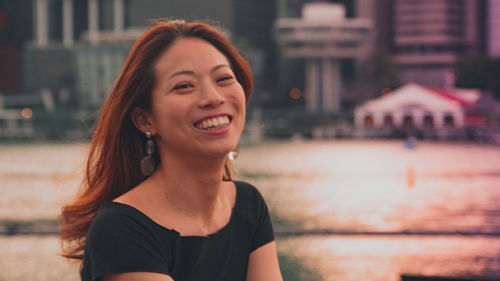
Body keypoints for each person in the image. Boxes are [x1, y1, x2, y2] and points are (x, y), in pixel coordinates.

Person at [59, 19, 283, 281]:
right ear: (145, 120)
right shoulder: (122, 228)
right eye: (184, 85)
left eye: (223, 78)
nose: (214, 97)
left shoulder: (248, 205)